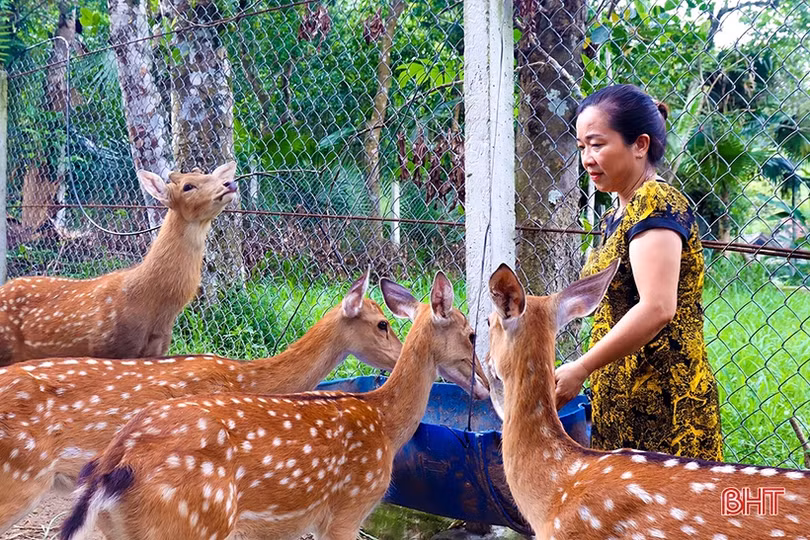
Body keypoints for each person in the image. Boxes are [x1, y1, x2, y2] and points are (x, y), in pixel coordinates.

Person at [554, 83, 723, 461]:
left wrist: (581, 367)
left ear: (640, 144)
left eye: (597, 145)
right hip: (619, 399)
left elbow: (657, 307)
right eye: (581, 147)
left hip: (664, 406)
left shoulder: (656, 202)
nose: (587, 159)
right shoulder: (614, 215)